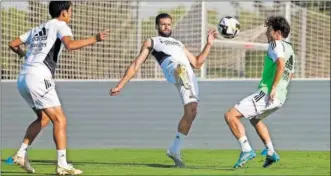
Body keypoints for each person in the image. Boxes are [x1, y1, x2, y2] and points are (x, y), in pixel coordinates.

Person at [8, 1, 108, 175]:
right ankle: (62, 165)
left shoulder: (38, 28)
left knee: (44, 118)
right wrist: (95, 38)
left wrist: (24, 56)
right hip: (40, 77)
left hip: (23, 78)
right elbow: (70, 45)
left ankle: (21, 153)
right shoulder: (61, 25)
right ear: (63, 13)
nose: (71, 14)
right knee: (60, 119)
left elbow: (13, 43)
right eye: (70, 11)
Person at [110, 13, 217, 167]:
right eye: (163, 24)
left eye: (169, 24)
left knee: (192, 112)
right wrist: (120, 84)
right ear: (157, 26)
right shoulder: (152, 41)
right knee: (179, 68)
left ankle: (174, 149)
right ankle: (179, 72)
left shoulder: (179, 43)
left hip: (189, 75)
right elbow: (136, 64)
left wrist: (209, 44)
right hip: (173, 69)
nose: (166, 27)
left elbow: (198, 63)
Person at [223, 16, 295, 168]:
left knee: (230, 116)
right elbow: (290, 73)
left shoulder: (275, 44)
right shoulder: (290, 49)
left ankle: (246, 150)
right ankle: (271, 152)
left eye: (269, 30)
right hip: (280, 98)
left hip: (268, 93)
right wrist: (279, 89)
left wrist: (273, 88)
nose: (266, 33)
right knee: (255, 119)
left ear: (277, 33)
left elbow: (281, 65)